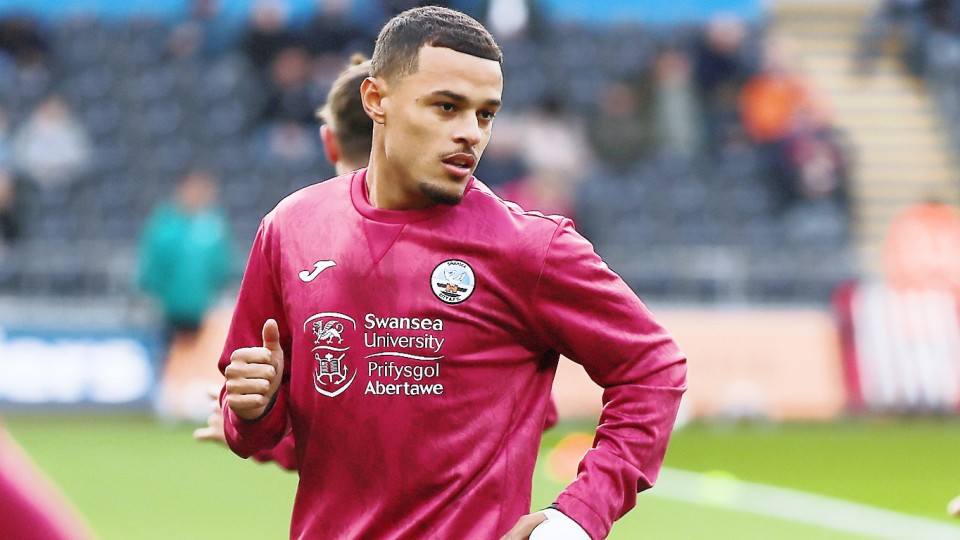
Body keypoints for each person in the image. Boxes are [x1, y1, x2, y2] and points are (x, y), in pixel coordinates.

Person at [218, 7, 686, 539]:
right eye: (447, 107)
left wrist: (579, 516)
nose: (470, 133)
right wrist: (251, 409)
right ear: (376, 100)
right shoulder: (290, 228)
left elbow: (653, 366)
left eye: (485, 115)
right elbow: (249, 426)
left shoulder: (529, 247)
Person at [136, 169, 235, 348]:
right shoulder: (165, 223)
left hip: (207, 313)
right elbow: (152, 267)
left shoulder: (214, 223)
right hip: (170, 312)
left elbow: (223, 264)